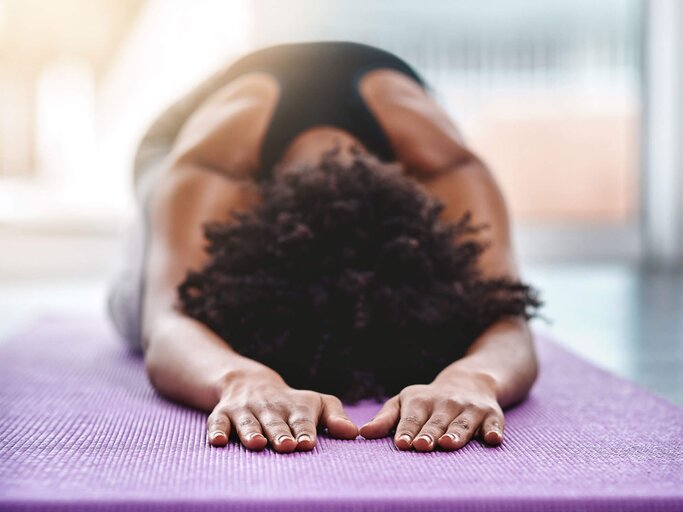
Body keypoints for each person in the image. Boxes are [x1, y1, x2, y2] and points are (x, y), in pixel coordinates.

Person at [106, 41, 541, 454]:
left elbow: (506, 316)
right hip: (184, 137)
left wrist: (474, 377)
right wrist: (240, 377)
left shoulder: (446, 167)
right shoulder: (213, 166)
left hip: (378, 126)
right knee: (138, 301)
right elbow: (166, 323)